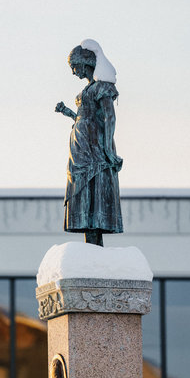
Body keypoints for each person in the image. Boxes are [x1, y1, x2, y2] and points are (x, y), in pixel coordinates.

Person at [55, 39, 123, 247]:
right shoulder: (88, 90)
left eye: (74, 66)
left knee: (95, 195)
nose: (73, 72)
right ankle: (90, 244)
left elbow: (108, 118)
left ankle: (95, 246)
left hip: (95, 151)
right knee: (85, 196)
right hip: (80, 150)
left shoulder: (102, 87)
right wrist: (69, 112)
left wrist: (107, 148)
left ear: (85, 63)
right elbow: (84, 118)